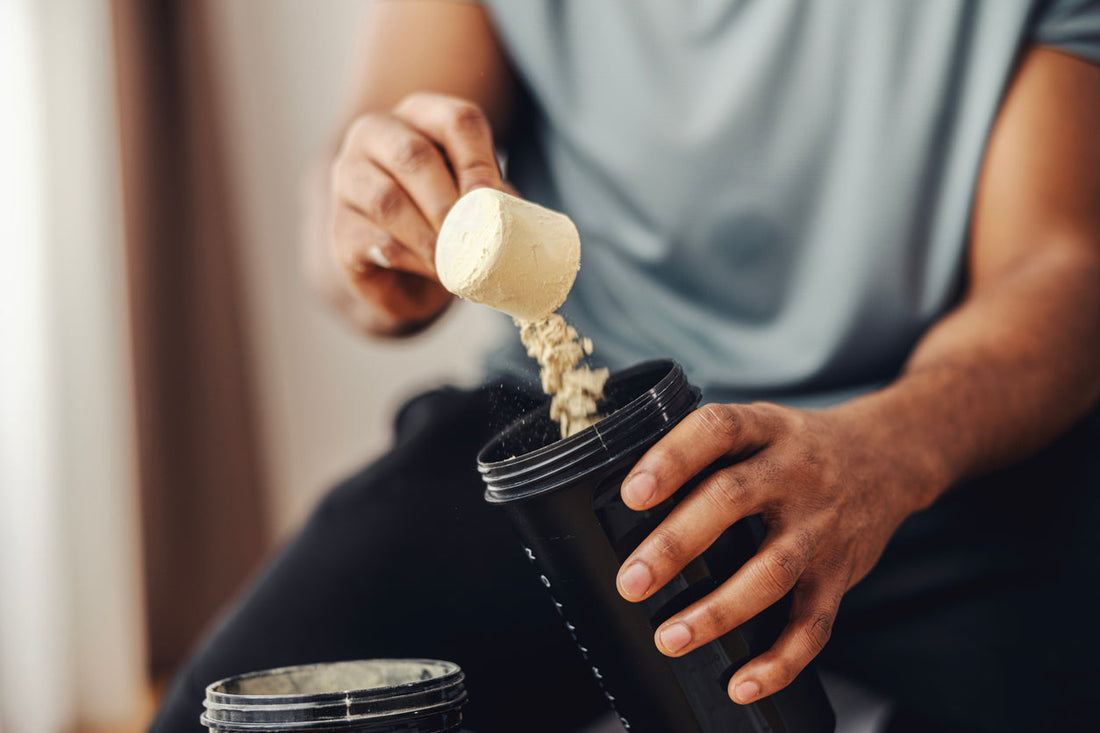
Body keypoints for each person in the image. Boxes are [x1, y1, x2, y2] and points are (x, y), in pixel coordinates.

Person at [153, 1, 1100, 731]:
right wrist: (374, 235)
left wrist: (890, 453)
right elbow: (358, 237)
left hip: (919, 447)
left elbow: (1058, 263)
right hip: (565, 429)